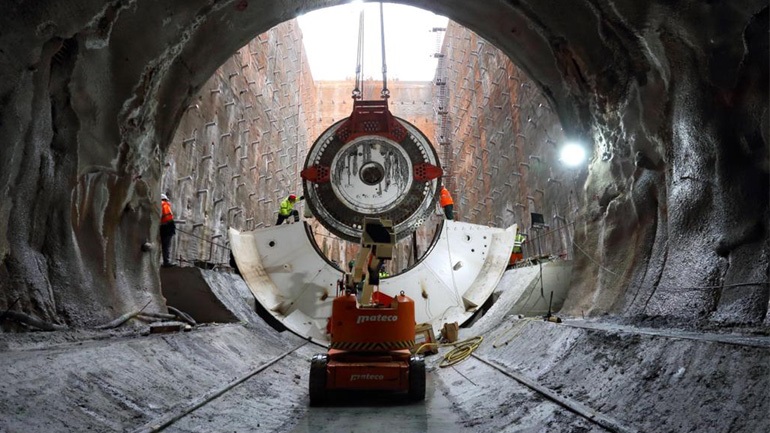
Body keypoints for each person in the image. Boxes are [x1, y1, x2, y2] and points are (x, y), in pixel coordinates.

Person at [160, 193, 176, 267]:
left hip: (163, 227)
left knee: (164, 245)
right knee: (166, 245)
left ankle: (165, 261)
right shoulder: (166, 205)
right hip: (169, 227)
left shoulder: (159, 205)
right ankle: (166, 262)